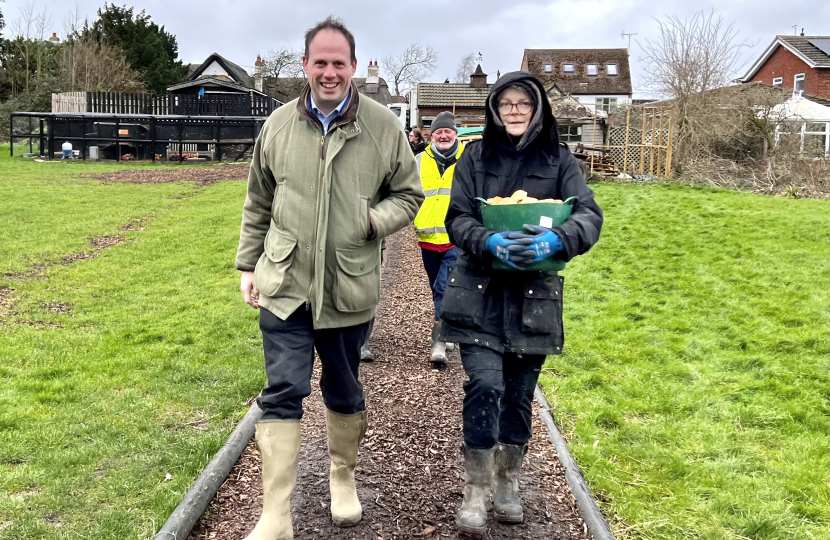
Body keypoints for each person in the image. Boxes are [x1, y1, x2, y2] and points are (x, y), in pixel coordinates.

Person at [235, 16, 423, 540]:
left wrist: (371, 221)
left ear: (354, 67)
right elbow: (258, 202)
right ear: (305, 65)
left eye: (339, 62)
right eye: (320, 62)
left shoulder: (383, 127)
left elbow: (409, 195)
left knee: (343, 389)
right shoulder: (276, 126)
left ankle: (343, 476)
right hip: (285, 284)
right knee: (282, 390)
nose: (330, 72)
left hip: (348, 285)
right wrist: (249, 264)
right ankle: (275, 516)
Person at [440, 71, 603, 535]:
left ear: (536, 110)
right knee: (486, 386)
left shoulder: (560, 159)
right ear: (494, 110)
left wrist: (558, 238)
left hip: (534, 298)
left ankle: (507, 481)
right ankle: (476, 487)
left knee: (518, 396)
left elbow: (590, 214)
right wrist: (487, 241)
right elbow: (457, 217)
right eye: (506, 104)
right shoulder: (475, 157)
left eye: (522, 104)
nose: (514, 111)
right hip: (479, 293)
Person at [412, 111, 463, 367]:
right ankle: (450, 325)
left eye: (448, 131)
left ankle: (439, 342)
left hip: (456, 237)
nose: (443, 135)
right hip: (427, 237)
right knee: (437, 287)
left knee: (445, 286)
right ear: (432, 135)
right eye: (438, 131)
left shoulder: (468, 160)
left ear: (456, 133)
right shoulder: (420, 160)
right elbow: (408, 192)